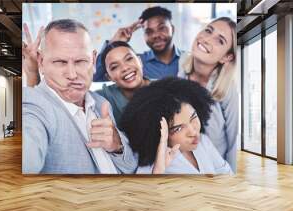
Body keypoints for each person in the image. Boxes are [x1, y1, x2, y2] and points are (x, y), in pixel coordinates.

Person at [22, 19, 137, 174]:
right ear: (41, 61)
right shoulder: (33, 106)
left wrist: (117, 146)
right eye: (60, 62)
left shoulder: (100, 103)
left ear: (94, 61)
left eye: (81, 61)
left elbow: (130, 167)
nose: (72, 74)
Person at [120, 77, 233, 174]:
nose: (193, 132)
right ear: (158, 134)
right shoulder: (151, 167)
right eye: (178, 128)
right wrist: (158, 170)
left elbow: (226, 173)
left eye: (193, 117)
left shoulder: (203, 141)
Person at [178, 17, 238, 173]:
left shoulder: (227, 89)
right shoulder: (181, 67)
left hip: (215, 168)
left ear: (227, 57)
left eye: (220, 41)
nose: (207, 39)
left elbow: (233, 141)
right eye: (208, 30)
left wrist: (230, 179)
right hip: (185, 164)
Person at [93, 6, 183, 81]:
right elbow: (95, 76)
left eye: (161, 28)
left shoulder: (190, 59)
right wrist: (114, 42)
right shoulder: (136, 62)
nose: (155, 35)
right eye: (149, 31)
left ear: (172, 29)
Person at [96, 41, 150, 124]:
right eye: (114, 67)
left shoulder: (166, 88)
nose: (125, 68)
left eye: (129, 59)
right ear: (109, 77)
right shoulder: (103, 96)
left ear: (140, 61)